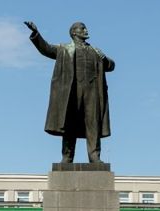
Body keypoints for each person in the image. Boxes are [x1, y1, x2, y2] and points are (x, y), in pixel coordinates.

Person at [24, 21, 115, 164]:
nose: (86, 30)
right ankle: (67, 156)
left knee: (93, 123)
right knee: (69, 122)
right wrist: (36, 34)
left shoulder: (95, 51)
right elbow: (46, 48)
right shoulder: (64, 49)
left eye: (85, 28)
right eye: (82, 28)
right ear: (74, 32)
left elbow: (111, 66)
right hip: (72, 90)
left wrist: (104, 58)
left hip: (92, 91)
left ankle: (94, 156)